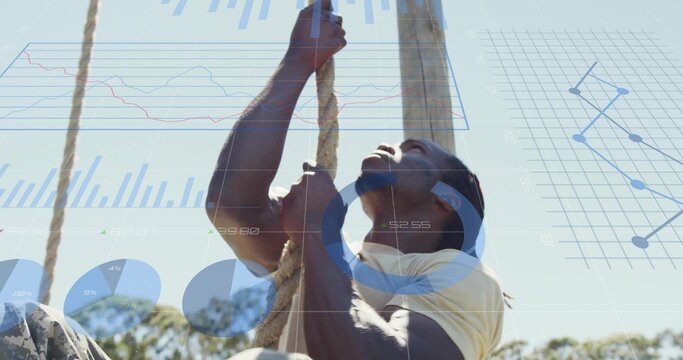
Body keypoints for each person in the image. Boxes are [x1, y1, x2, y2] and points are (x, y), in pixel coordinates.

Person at [206, 1, 505, 359]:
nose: (387, 145)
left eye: (414, 150)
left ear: (445, 199)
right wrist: (297, 62)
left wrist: (318, 228)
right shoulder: (328, 255)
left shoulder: (465, 277)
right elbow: (231, 206)